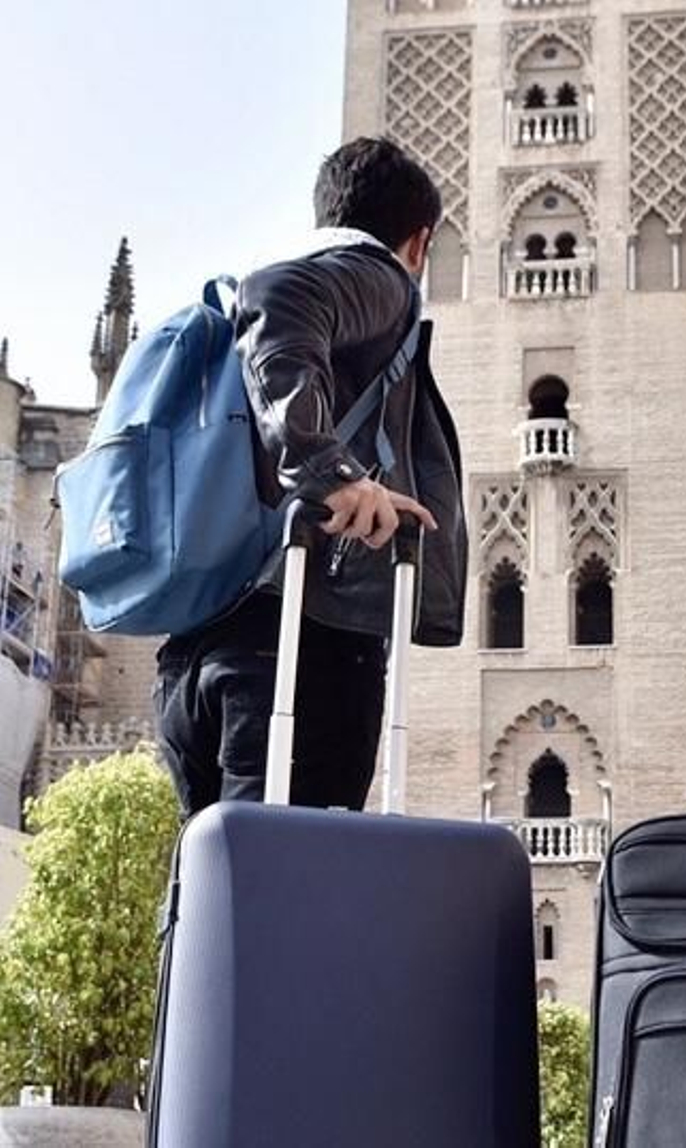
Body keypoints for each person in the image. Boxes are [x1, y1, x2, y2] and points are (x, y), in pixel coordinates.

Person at [154, 137, 467, 817]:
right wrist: (333, 472)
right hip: (301, 645)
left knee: (215, 896)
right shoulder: (375, 275)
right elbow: (281, 297)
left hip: (207, 646)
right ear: (420, 242)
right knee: (293, 885)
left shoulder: (286, 290)